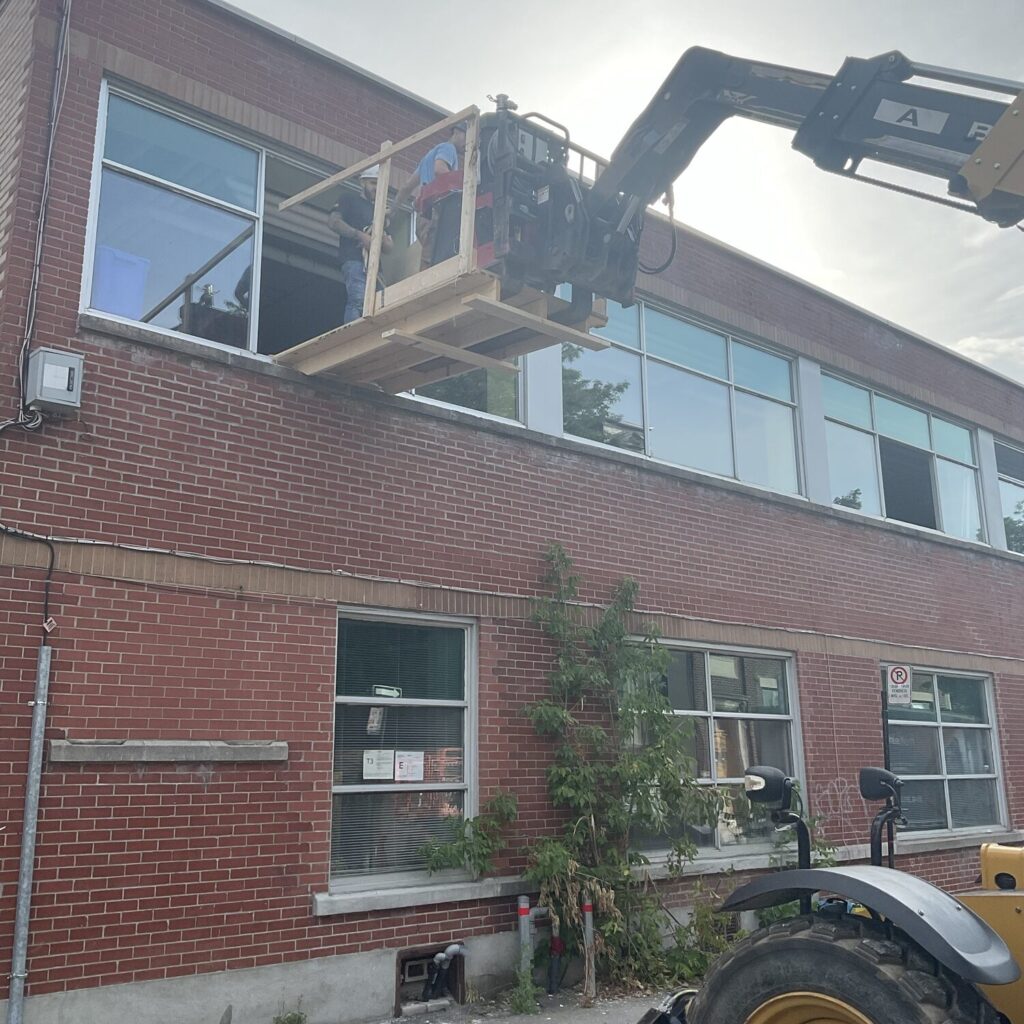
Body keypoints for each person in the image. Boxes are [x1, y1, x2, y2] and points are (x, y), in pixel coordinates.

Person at [392, 122, 467, 268]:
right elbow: (440, 169)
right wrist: (462, 188)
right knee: (436, 255)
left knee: (430, 256)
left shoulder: (429, 156)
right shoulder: (448, 148)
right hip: (436, 211)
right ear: (457, 132)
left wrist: (392, 210)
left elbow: (407, 187)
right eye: (467, 136)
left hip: (423, 216)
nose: (468, 143)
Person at [329, 165, 392, 325]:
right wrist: (360, 235)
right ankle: (353, 335)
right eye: (372, 183)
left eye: (379, 184)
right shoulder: (348, 200)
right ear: (362, 183)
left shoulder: (379, 212)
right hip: (355, 260)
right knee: (358, 301)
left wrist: (383, 241)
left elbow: (389, 248)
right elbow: (334, 222)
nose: (376, 188)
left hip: (375, 267)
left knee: (380, 306)